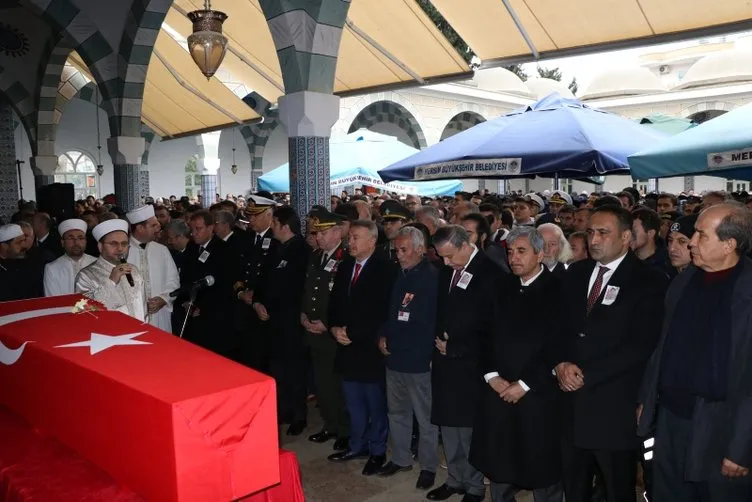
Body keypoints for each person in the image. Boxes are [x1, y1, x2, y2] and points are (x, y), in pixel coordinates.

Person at [638, 203, 752, 502]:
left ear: (729, 244)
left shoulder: (747, 291)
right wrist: (647, 400)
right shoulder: (685, 281)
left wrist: (742, 448)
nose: (691, 241)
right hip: (670, 420)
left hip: (722, 429)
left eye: (701, 235)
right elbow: (664, 346)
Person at [554, 206, 667, 502]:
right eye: (590, 232)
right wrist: (560, 364)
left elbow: (640, 345)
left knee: (617, 489)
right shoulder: (575, 273)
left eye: (603, 233)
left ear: (626, 237)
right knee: (574, 486)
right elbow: (556, 328)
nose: (594, 239)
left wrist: (586, 375)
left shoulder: (648, 281)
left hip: (612, 407)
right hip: (569, 403)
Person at [471, 226, 563, 502]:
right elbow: (482, 334)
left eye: (521, 251)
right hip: (499, 391)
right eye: (510, 252)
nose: (513, 258)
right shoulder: (499, 286)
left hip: (538, 394)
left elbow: (557, 345)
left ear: (540, 253)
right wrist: (491, 376)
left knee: (542, 466)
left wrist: (524, 384)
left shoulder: (559, 290)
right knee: (500, 461)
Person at [429, 225, 505, 502]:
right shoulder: (448, 269)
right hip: (444, 362)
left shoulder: (492, 273)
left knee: (469, 433)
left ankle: (474, 486)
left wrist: (457, 348)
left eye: (449, 256)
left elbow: (494, 330)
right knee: (448, 428)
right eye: (441, 257)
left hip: (472, 367)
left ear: (465, 244)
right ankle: (455, 478)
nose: (446, 263)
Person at [327, 220, 397, 476]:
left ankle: (377, 451)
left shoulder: (386, 270)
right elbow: (333, 303)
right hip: (346, 347)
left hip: (370, 349)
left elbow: (383, 312)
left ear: (372, 241)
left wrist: (353, 333)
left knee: (375, 405)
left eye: (356, 238)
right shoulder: (345, 266)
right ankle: (357, 445)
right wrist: (334, 328)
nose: (350, 242)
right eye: (350, 238)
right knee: (353, 403)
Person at [377, 226, 441, 490]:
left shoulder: (432, 277)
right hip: (394, 358)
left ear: (419, 249)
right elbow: (391, 312)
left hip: (417, 360)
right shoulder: (400, 274)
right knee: (397, 413)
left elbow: (431, 323)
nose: (398, 255)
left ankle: (428, 466)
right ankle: (401, 458)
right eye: (396, 250)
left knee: (425, 420)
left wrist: (428, 354)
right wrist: (381, 336)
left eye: (403, 250)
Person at [252, 206, 310, 436]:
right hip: (272, 320)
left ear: (285, 226)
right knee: (277, 368)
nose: (272, 227)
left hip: (291, 321)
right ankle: (283, 409)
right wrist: (258, 302)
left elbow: (296, 288)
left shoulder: (301, 250)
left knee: (294, 369)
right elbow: (264, 280)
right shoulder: (276, 247)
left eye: (274, 223)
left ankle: (299, 415)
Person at [302, 209, 350, 451]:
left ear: (336, 232)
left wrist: (327, 323)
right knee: (322, 383)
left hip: (332, 333)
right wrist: (303, 314)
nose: (317, 237)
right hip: (313, 331)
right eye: (316, 233)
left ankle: (344, 429)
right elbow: (308, 290)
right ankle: (330, 425)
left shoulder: (345, 258)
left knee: (337, 384)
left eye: (321, 233)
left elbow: (344, 300)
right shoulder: (316, 256)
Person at [179, 210, 241, 356]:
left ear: (210, 227)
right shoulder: (191, 248)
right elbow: (185, 278)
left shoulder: (224, 250)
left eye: (198, 229)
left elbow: (224, 285)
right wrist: (186, 301)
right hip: (191, 314)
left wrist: (201, 305)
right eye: (192, 229)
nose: (194, 233)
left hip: (214, 317)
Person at [76, 219, 147, 321]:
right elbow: (83, 311)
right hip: (107, 334)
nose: (120, 248)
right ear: (100, 247)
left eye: (124, 244)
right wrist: (111, 282)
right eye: (113, 244)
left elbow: (143, 309)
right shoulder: (86, 276)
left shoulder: (134, 270)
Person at [126, 205, 180, 332]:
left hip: (160, 315)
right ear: (140, 228)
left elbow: (173, 280)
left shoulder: (162, 250)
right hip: (131, 316)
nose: (158, 228)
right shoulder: (122, 251)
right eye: (153, 225)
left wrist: (163, 299)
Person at [43, 219, 96, 296]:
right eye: (71, 238)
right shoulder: (52, 268)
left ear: (86, 241)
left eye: (80, 238)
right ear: (63, 243)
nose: (76, 243)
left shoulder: (97, 264)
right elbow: (53, 301)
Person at [0, 224, 45, 301]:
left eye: (23, 241)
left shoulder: (29, 262)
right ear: (4, 246)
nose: (24, 245)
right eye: (18, 243)